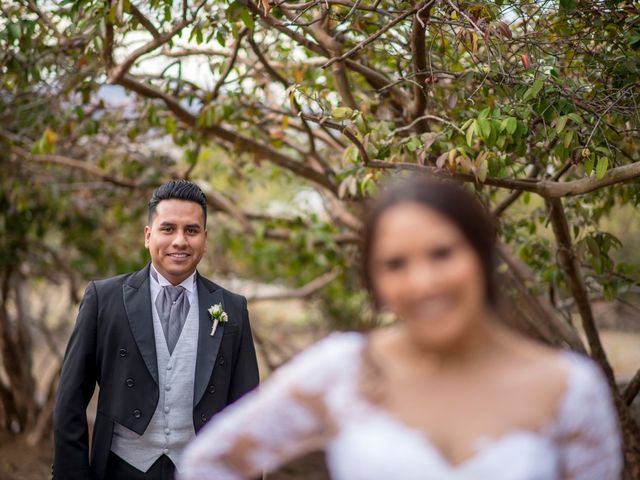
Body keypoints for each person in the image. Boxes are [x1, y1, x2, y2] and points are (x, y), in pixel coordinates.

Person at [179, 177, 622, 480]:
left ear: (483, 253)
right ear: (376, 283)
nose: (423, 283)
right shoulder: (343, 371)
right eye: (395, 264)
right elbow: (209, 462)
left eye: (442, 254)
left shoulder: (569, 387)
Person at [53, 180, 259, 480]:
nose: (179, 241)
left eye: (191, 230)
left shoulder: (233, 308)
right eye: (168, 229)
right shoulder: (104, 299)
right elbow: (70, 401)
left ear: (205, 239)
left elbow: (248, 412)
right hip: (121, 468)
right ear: (148, 236)